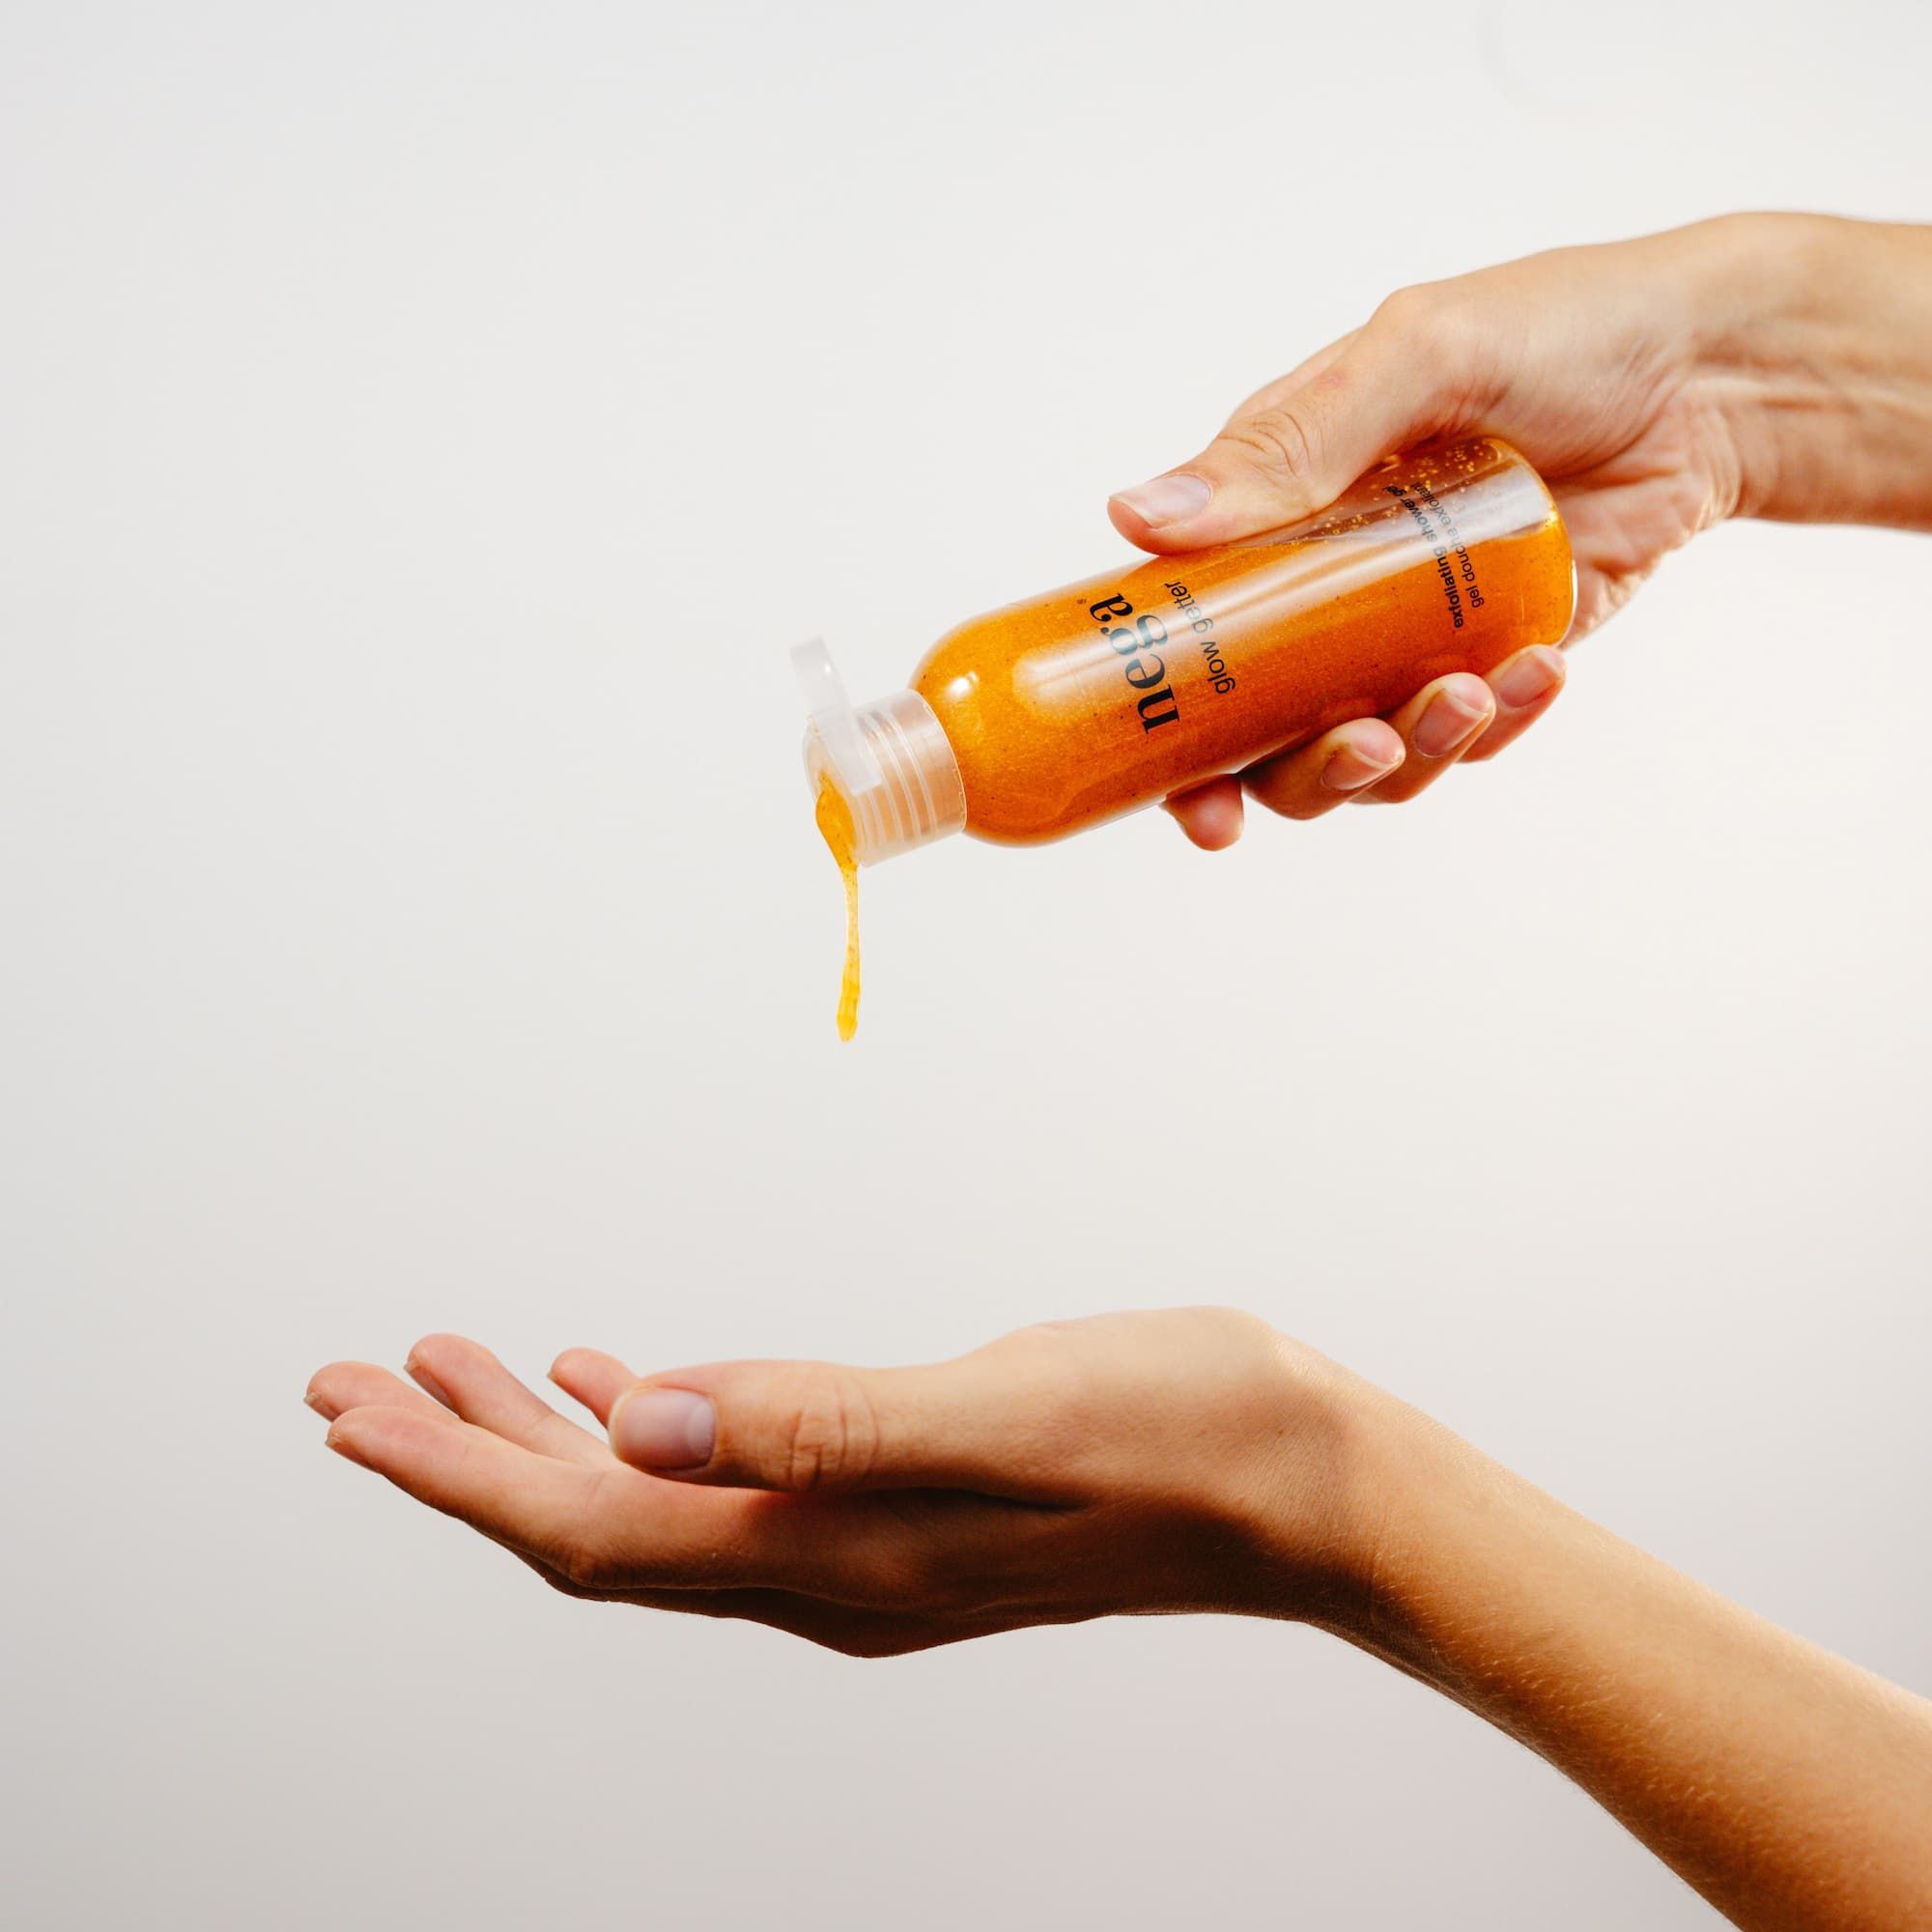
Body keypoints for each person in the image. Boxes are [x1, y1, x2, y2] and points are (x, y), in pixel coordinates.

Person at [306, 213, 1932, 1932]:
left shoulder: (984, 714)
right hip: (1515, 503)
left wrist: (1332, 1499)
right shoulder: (989, 718)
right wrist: (1718, 366)